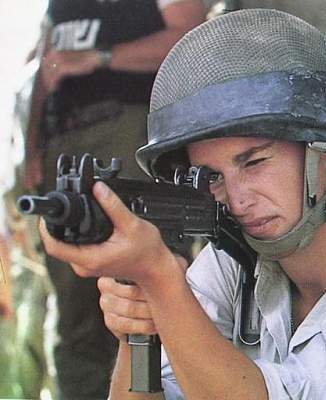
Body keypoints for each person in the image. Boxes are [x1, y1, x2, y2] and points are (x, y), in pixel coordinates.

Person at [40, 9, 326, 400]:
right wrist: (139, 330)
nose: (236, 200)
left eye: (255, 162)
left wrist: (160, 277)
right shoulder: (229, 269)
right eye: (212, 177)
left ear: (325, 149)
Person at [24, 1, 206, 399]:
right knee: (77, 312)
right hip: (63, 146)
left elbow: (191, 41)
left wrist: (100, 57)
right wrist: (32, 150)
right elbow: (46, 69)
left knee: (150, 294)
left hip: (130, 138)